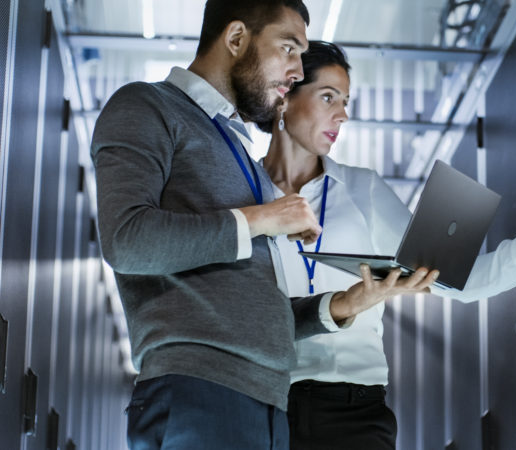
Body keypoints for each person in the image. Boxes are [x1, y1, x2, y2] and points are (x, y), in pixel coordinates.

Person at [90, 3, 435, 448]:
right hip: (200, 390)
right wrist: (264, 217)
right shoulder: (148, 105)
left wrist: (341, 305)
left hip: (267, 402)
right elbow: (127, 240)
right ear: (236, 40)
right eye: (289, 48)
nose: (296, 70)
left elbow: (257, 312)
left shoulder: (237, 153)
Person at [257, 40, 516, 449]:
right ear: (284, 96)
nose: (342, 115)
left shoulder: (364, 190)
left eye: (345, 101)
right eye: (328, 97)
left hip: (355, 412)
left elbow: (457, 281)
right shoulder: (244, 198)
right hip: (265, 407)